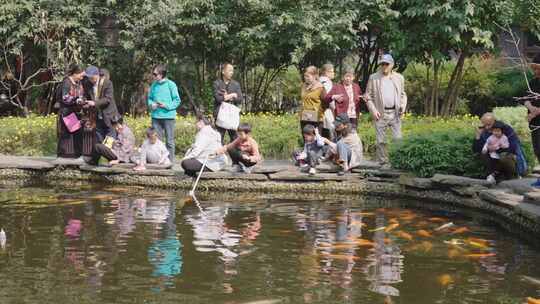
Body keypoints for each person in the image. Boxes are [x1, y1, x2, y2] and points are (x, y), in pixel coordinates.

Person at [365, 54, 407, 165]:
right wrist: (373, 110)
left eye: (386, 64)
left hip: (395, 113)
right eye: (382, 64)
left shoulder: (399, 78)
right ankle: (383, 162)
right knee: (381, 141)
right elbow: (367, 96)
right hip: (380, 113)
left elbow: (403, 95)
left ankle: (397, 161)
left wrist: (403, 106)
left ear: (392, 65)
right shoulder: (374, 77)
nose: (384, 66)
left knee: (397, 139)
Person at [472, 112, 526, 182]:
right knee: (483, 153)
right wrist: (478, 136)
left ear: (494, 122)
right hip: (494, 158)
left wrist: (497, 148)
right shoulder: (484, 130)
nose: (487, 127)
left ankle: (514, 175)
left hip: (509, 156)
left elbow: (513, 147)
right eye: (484, 125)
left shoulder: (506, 129)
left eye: (489, 125)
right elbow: (476, 150)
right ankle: (494, 175)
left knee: (503, 156)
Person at [147, 64, 181, 163]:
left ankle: (169, 162)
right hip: (156, 116)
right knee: (157, 140)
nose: (153, 76)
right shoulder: (154, 85)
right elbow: (150, 99)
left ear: (162, 74)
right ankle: (159, 160)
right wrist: (152, 105)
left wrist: (166, 105)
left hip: (168, 117)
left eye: (155, 74)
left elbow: (177, 100)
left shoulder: (171, 84)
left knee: (169, 141)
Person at [82, 66, 119, 143]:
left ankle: (109, 152)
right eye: (88, 78)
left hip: (109, 116)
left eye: (91, 77)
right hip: (97, 117)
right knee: (99, 140)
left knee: (109, 142)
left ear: (97, 74)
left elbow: (108, 99)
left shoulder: (107, 83)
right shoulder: (88, 84)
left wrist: (94, 103)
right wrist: (84, 101)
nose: (90, 80)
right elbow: (86, 96)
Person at [57, 64, 86, 158]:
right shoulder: (66, 82)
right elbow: (65, 98)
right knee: (66, 135)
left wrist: (83, 100)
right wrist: (76, 100)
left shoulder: (79, 83)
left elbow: (81, 94)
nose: (82, 78)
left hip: (76, 112)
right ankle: (61, 156)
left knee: (77, 134)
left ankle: (77, 155)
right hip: (67, 113)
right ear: (75, 74)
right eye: (81, 75)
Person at [520, 54, 540, 185]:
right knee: (537, 149)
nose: (536, 71)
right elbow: (524, 98)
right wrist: (530, 107)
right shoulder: (533, 82)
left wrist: (535, 112)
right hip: (534, 124)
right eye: (535, 69)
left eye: (538, 69)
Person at [213, 63, 244, 144]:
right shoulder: (217, 83)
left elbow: (240, 99)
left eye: (232, 71)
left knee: (235, 139)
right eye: (229, 70)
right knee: (218, 139)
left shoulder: (236, 84)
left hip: (232, 116)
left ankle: (236, 156)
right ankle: (218, 156)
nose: (231, 72)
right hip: (220, 115)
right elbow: (218, 99)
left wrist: (227, 97)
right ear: (223, 71)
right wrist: (232, 95)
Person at [300, 66, 325, 139]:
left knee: (316, 139)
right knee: (306, 139)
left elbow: (325, 102)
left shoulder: (320, 87)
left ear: (314, 76)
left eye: (308, 76)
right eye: (305, 76)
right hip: (304, 116)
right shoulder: (303, 86)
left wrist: (318, 110)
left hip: (316, 117)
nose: (306, 78)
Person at [320, 63, 336, 139]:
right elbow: (330, 98)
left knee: (321, 132)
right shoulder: (327, 83)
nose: (334, 73)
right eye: (332, 72)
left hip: (318, 111)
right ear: (327, 72)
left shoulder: (317, 81)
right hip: (327, 110)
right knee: (331, 131)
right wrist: (334, 110)